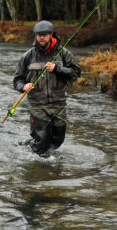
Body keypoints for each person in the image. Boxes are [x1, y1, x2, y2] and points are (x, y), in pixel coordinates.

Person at [13, 20, 81, 157]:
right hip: (38, 104)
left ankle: (31, 145)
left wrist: (57, 69)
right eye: (39, 35)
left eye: (44, 34)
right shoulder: (28, 56)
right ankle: (42, 166)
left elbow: (75, 74)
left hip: (59, 103)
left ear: (51, 35)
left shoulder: (64, 53)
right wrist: (23, 86)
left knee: (57, 140)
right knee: (43, 139)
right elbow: (17, 79)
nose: (41, 37)